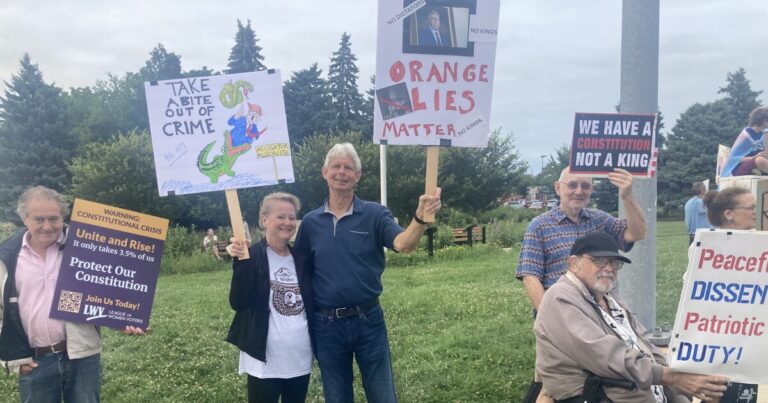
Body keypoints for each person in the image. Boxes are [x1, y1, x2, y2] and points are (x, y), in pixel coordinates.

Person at [294, 143, 441, 403]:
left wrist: (419, 218)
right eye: (336, 166)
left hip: (368, 320)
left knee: (382, 395)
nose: (342, 172)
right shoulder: (310, 223)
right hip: (326, 324)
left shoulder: (375, 214)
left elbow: (404, 244)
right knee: (337, 396)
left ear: (358, 176)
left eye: (348, 168)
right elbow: (296, 268)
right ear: (324, 172)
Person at [535, 230, 729, 402]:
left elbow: (647, 348)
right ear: (573, 263)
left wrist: (676, 392)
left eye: (615, 263)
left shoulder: (611, 299)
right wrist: (673, 377)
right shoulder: (560, 297)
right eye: (600, 261)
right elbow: (608, 358)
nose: (609, 268)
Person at [0, 186, 144, 403]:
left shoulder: (87, 246)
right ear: (25, 219)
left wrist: (124, 318)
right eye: (39, 219)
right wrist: (12, 358)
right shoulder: (6, 256)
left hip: (83, 357)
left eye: (54, 218)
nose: (47, 226)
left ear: (63, 217)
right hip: (35, 361)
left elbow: (108, 289)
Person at [516, 167, 647, 402]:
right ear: (558, 188)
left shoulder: (600, 219)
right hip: (560, 317)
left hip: (601, 316)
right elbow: (530, 275)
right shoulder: (540, 225)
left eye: (585, 186)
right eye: (572, 185)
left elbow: (635, 233)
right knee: (553, 382)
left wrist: (627, 195)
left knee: (598, 378)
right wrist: (553, 315)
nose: (579, 191)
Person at [226, 192, 313, 403]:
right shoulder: (250, 255)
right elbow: (238, 301)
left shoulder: (303, 259)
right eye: (281, 217)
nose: (288, 223)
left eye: (292, 217)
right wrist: (241, 262)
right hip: (264, 361)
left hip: (299, 357)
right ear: (264, 220)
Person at [699, 187, 759, 401]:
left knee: (745, 396)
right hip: (717, 341)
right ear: (729, 214)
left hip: (748, 338)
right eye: (750, 207)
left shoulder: (758, 244)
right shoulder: (706, 247)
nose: (756, 212)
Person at [720, 106, 768, 177]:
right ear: (761, 119)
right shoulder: (746, 136)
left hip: (754, 167)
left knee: (760, 160)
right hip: (735, 169)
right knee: (759, 160)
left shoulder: (763, 134)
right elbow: (732, 158)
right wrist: (753, 157)